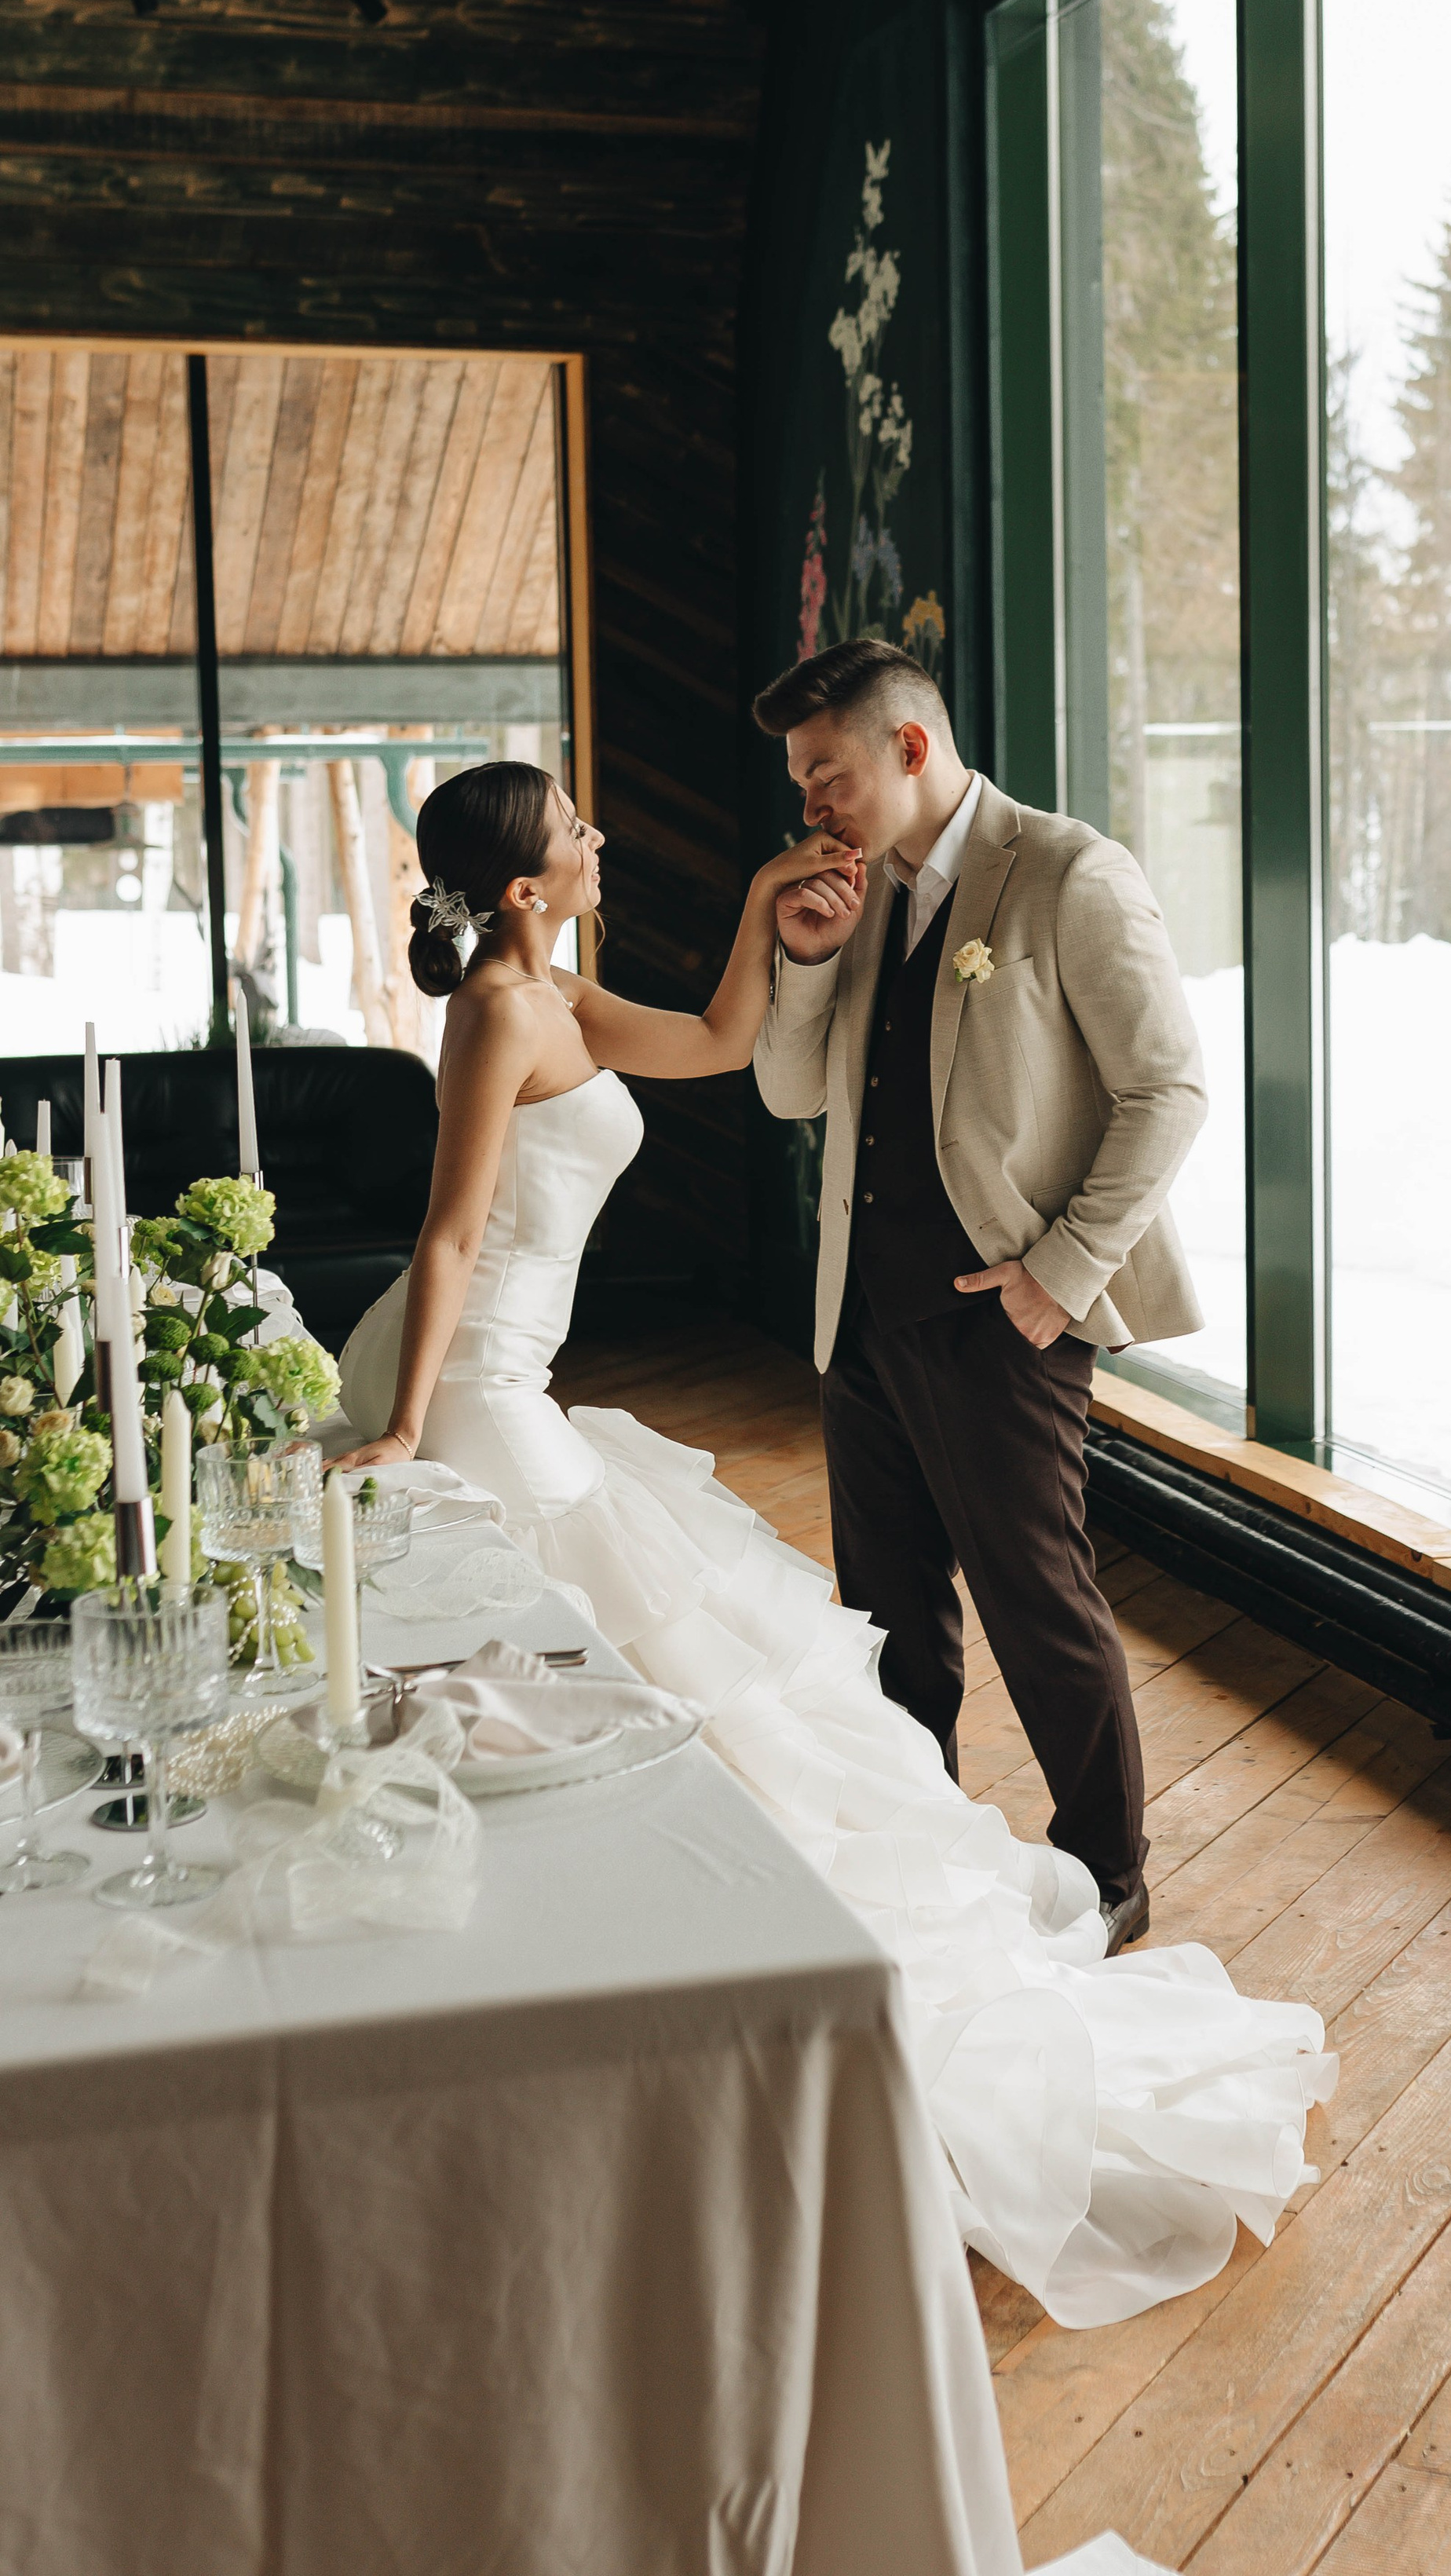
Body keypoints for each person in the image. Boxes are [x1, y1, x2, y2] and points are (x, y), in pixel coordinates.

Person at [334, 755, 1333, 2329]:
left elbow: (730, 1045)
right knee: (645, 1680)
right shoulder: (495, 1015)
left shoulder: (565, 994)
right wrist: (400, 1427)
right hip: (475, 1390)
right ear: (524, 891)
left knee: (669, 1679)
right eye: (577, 836)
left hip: (519, 1375)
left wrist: (755, 906)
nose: (602, 842)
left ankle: (701, 1968)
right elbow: (450, 1233)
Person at [750, 638, 1206, 1953]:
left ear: (906, 747)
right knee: (890, 1619)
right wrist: (808, 957)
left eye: (825, 773)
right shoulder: (863, 897)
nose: (811, 805)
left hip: (1003, 1317)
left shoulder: (1067, 873)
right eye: (800, 781)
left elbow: (1168, 1092)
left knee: (1035, 1600)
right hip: (862, 1320)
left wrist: (1060, 1274)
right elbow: (790, 1092)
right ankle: (920, 1848)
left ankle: (1108, 1876)